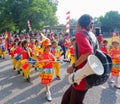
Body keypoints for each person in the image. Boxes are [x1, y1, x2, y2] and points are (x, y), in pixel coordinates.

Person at [61, 14, 99, 104]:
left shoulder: (80, 34)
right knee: (66, 98)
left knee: (75, 101)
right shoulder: (92, 35)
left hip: (82, 75)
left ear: (78, 24)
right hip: (88, 73)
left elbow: (88, 51)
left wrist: (73, 66)